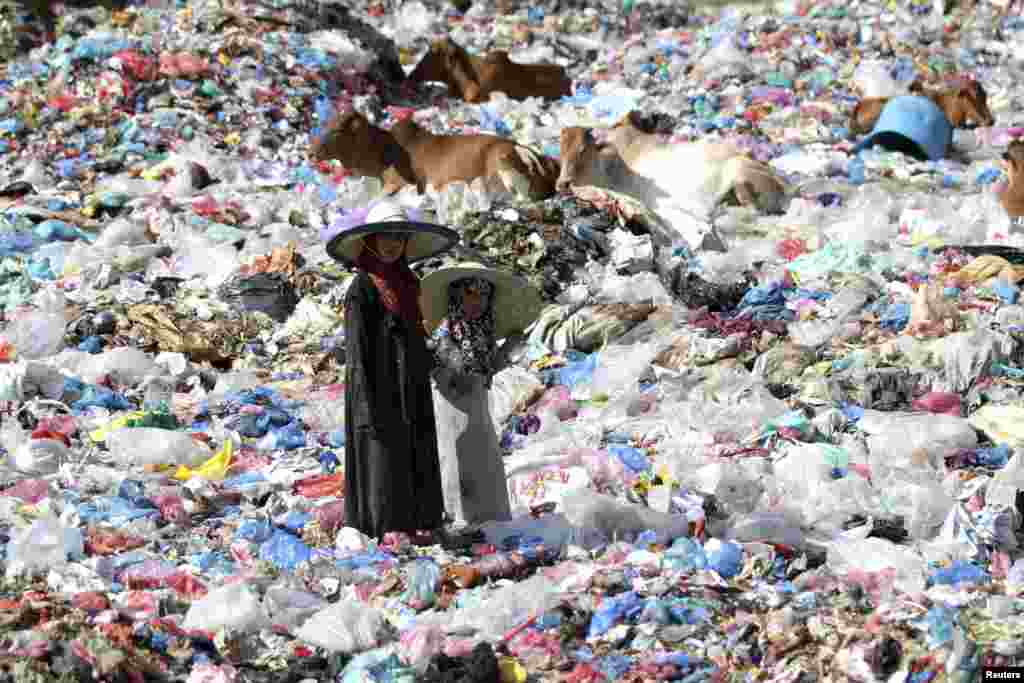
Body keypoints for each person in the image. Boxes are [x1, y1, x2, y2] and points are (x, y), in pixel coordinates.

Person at [326, 200, 459, 542]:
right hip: (377, 384)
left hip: (410, 382)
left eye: (398, 238)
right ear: (370, 241)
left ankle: (420, 520)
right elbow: (357, 350)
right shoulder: (362, 289)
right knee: (382, 456)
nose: (391, 245)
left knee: (415, 449)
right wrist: (366, 404)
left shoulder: (409, 282)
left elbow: (418, 331)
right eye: (384, 237)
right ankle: (385, 526)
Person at [420, 263, 543, 529]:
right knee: (454, 462)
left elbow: (487, 369)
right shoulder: (446, 331)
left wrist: (509, 348)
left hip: (477, 407)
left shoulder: (482, 330)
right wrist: (456, 374)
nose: (478, 301)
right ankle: (456, 519)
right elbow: (442, 374)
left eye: (484, 295)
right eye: (471, 294)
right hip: (451, 409)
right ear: (457, 296)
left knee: (484, 461)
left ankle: (487, 518)